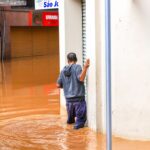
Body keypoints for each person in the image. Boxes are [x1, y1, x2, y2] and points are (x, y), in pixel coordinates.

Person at [57, 52, 90, 129]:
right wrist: (85, 68)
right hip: (78, 100)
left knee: (70, 122)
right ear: (76, 60)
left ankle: (69, 137)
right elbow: (81, 78)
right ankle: (76, 138)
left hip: (68, 101)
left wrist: (66, 85)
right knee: (79, 124)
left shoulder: (63, 71)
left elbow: (58, 85)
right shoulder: (77, 67)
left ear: (68, 61)